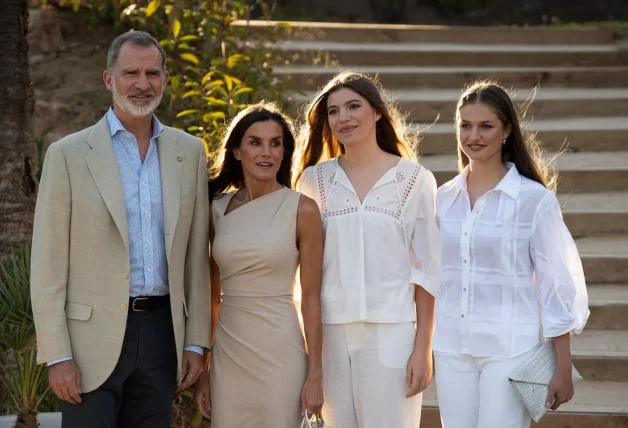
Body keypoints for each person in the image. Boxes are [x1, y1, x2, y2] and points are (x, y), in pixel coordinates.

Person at [30, 31, 210, 428]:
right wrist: (57, 355)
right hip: (88, 344)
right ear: (109, 79)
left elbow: (196, 259)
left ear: (164, 79)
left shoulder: (190, 152)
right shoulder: (67, 155)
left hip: (163, 336)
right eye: (131, 72)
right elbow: (47, 264)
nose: (142, 84)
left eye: (152, 73)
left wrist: (196, 342)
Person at [432, 81, 590, 428]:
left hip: (511, 347)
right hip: (450, 347)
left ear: (506, 131)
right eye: (466, 125)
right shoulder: (442, 199)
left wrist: (563, 366)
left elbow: (555, 286)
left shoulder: (535, 201)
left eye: (486, 126)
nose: (474, 135)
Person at [294, 71, 440, 428]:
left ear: (376, 112)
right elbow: (304, 272)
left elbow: (428, 272)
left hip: (392, 335)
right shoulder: (313, 181)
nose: (343, 117)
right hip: (329, 337)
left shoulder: (415, 180)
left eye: (353, 106)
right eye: (334, 111)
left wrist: (423, 350)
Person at [192, 103, 324, 427]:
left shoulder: (302, 210)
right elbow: (211, 298)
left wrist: (315, 374)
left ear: (284, 152)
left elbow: (310, 298)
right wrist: (204, 371)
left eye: (275, 143)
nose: (267, 152)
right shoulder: (215, 210)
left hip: (281, 353)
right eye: (255, 142)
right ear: (236, 151)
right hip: (229, 355)